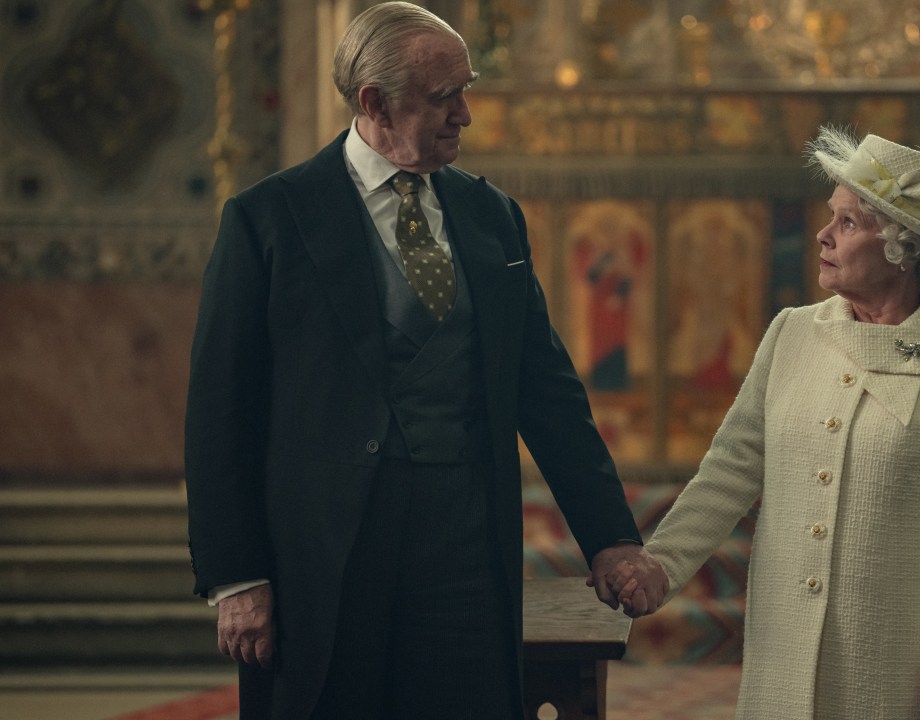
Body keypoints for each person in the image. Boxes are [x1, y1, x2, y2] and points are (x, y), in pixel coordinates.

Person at [184, 3, 662, 718]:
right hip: (327, 556)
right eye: (445, 97)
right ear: (375, 102)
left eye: (465, 91)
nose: (465, 114)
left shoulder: (490, 215)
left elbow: (548, 393)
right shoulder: (270, 219)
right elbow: (220, 412)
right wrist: (235, 577)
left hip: (466, 552)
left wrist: (612, 538)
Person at [609, 127, 920, 719]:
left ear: (902, 247)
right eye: (832, 218)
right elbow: (732, 466)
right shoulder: (792, 334)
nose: (823, 236)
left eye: (849, 223)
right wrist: (663, 564)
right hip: (784, 647)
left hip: (899, 656)